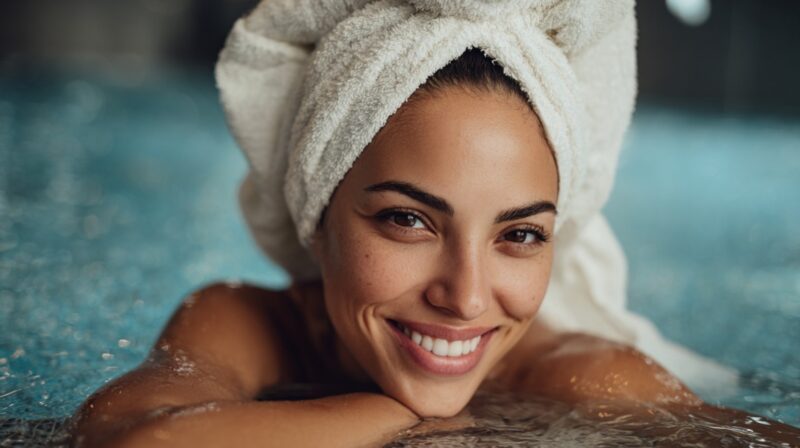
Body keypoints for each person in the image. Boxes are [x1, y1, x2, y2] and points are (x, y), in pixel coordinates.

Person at [72, 1, 799, 446]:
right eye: (409, 220)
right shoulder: (245, 323)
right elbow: (137, 444)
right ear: (317, 220)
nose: (468, 297)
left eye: (519, 234)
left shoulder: (586, 377)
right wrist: (402, 416)